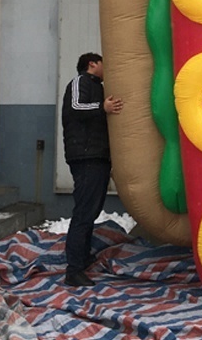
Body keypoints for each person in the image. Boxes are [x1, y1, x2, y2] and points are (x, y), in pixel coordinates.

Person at [62, 52, 123, 287]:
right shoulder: (80, 82)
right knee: (83, 213)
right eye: (103, 63)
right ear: (92, 64)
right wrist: (103, 107)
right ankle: (73, 270)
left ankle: (82, 257)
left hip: (96, 156)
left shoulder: (97, 86)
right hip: (85, 156)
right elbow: (76, 107)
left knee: (91, 212)